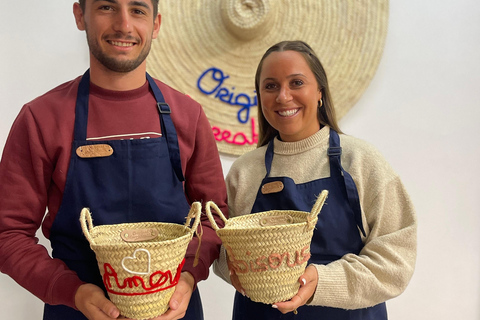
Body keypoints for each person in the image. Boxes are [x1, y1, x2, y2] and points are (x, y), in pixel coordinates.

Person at [0, 0, 228, 319]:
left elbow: (214, 218)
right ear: (81, 16)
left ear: (156, 24)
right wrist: (71, 291)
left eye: (137, 10)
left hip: (174, 307)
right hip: (75, 309)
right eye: (107, 7)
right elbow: (7, 233)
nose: (124, 24)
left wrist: (188, 277)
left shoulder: (187, 116)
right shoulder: (40, 119)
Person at [213, 40, 417, 319]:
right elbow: (221, 248)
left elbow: (396, 259)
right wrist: (238, 270)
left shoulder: (361, 160)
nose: (283, 97)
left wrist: (319, 281)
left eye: (296, 82)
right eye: (270, 86)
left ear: (319, 91)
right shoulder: (244, 172)